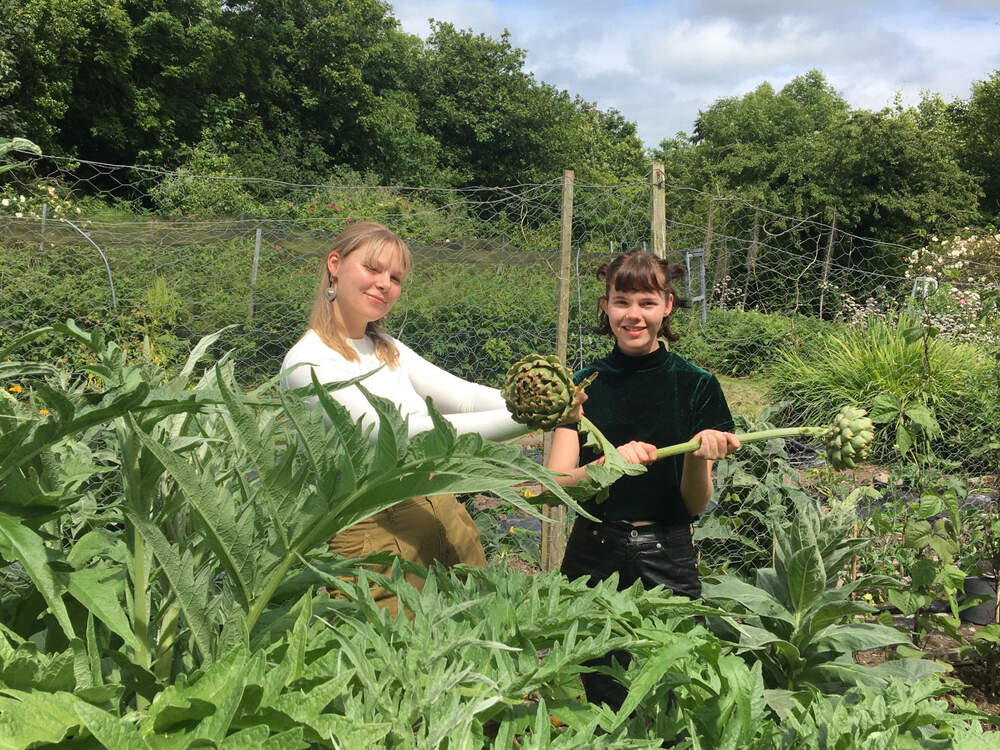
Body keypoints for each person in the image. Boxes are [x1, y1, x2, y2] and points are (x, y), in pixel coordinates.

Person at [280, 221, 580, 617]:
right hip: (373, 539)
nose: (384, 283)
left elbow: (466, 399)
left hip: (443, 512)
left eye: (396, 277)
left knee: (484, 648)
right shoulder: (308, 363)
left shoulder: (386, 348)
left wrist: (546, 397)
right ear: (335, 264)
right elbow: (406, 438)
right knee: (392, 666)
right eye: (372, 269)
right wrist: (533, 418)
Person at [547, 249, 740, 711]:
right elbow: (552, 487)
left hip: (667, 551)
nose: (634, 315)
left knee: (676, 689)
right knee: (598, 689)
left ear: (668, 306)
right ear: (606, 306)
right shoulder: (579, 386)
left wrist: (698, 455)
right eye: (621, 301)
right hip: (594, 550)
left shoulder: (696, 385)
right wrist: (607, 465)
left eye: (647, 302)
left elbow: (694, 506)